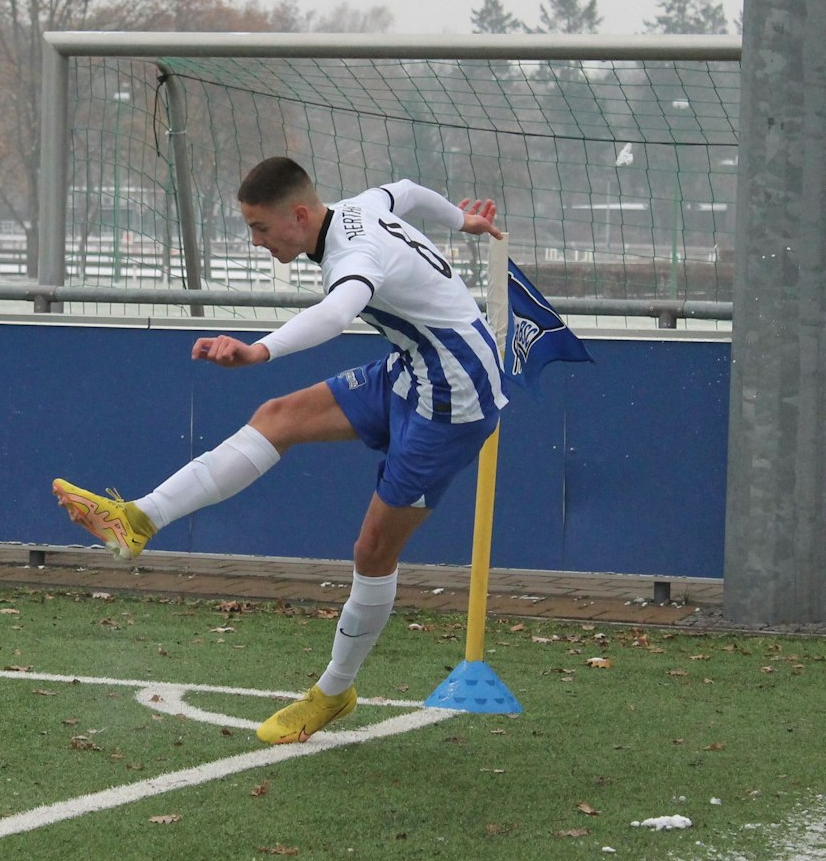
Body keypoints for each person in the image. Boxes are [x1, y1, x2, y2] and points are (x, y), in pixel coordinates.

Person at [52, 156, 506, 744]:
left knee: (371, 551)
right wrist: (462, 223)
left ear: (298, 215)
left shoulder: (353, 256)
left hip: (454, 398)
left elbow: (337, 312)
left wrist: (257, 351)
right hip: (414, 369)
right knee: (278, 417)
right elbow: (411, 192)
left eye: (261, 229)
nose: (256, 241)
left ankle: (334, 693)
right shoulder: (360, 209)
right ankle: (139, 518)